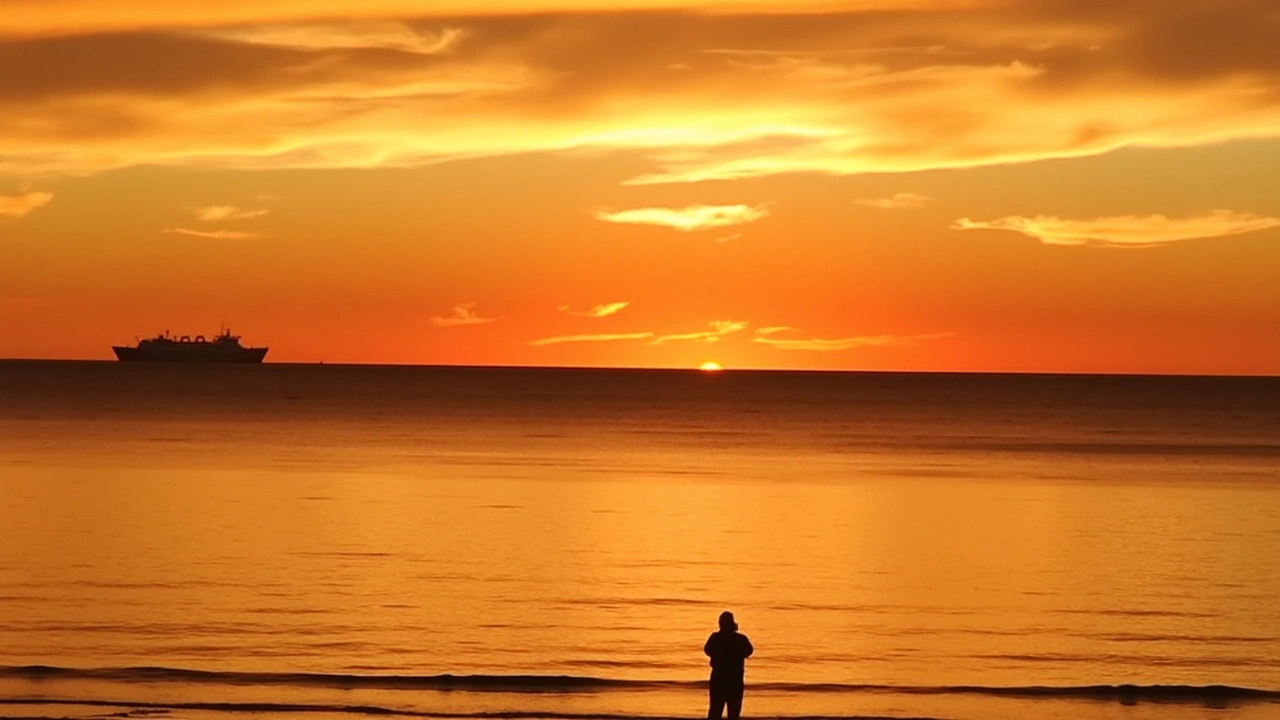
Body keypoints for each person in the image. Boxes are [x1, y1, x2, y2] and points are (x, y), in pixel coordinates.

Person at [704, 611, 754, 719]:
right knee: (733, 712)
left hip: (718, 679)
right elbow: (749, 651)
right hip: (735, 679)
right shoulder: (740, 639)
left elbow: (707, 650)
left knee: (715, 711)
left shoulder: (715, 637)